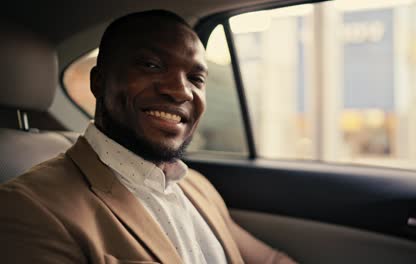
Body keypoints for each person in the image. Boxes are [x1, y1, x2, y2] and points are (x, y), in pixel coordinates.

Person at [0, 10, 296, 264]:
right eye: (152, 65)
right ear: (98, 82)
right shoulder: (29, 208)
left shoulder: (195, 186)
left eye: (196, 78)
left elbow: (270, 260)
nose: (181, 91)